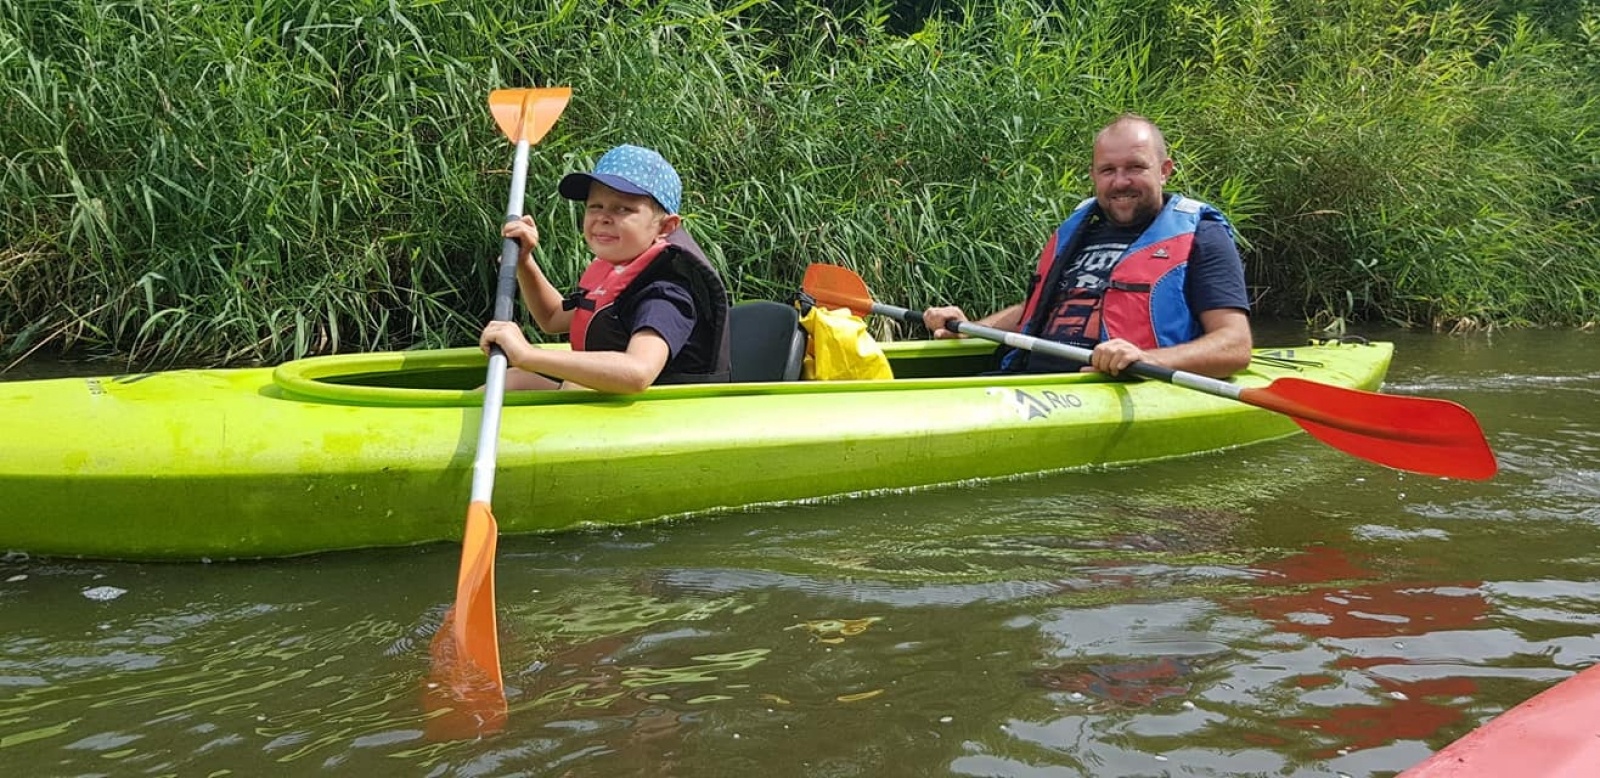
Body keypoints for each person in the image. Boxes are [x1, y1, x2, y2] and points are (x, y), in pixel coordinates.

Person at [922, 115, 1252, 379]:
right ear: (1094, 175)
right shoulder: (1082, 229)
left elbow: (1235, 345)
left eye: (1135, 167)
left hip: (1105, 385)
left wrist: (1148, 359)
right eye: (1108, 170)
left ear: (1164, 171)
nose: (1121, 181)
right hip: (1024, 378)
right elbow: (1037, 309)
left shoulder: (1201, 234)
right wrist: (969, 329)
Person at [479, 144, 731, 393]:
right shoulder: (615, 274)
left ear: (665, 228)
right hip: (614, 411)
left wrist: (528, 355)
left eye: (623, 209)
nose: (603, 217)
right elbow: (552, 317)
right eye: (595, 206)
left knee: (566, 385)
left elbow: (637, 372)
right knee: (516, 381)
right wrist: (525, 262)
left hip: (659, 419)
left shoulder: (665, 295)